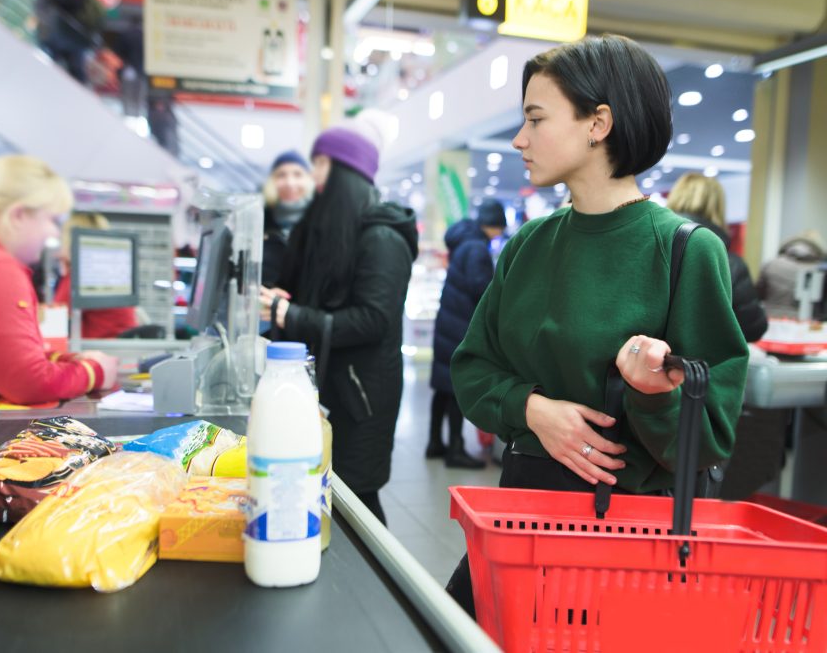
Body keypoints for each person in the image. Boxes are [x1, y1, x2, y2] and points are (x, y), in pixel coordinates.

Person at [444, 35, 749, 616]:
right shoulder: (530, 244)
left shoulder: (686, 251)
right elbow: (472, 367)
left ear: (598, 123)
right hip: (520, 523)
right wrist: (534, 410)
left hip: (624, 547)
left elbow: (708, 437)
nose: (519, 138)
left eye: (536, 118)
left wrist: (653, 392)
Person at [259, 112, 418, 525]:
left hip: (361, 401)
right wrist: (288, 301)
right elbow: (328, 303)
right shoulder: (343, 234)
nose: (313, 178)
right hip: (337, 392)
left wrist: (289, 314)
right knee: (339, 497)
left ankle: (378, 589)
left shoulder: (382, 237)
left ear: (345, 171)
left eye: (320, 164)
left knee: (359, 502)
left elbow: (370, 320)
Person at [0, 156, 119, 404]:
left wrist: (69, 361)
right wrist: (96, 372)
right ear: (18, 215)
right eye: (51, 220)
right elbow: (27, 382)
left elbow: (10, 359)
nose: (54, 233)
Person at [428, 199, 507, 468]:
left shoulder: (464, 242)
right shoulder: (476, 248)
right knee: (453, 389)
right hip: (461, 326)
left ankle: (435, 443)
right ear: (494, 225)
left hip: (448, 322)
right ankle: (455, 450)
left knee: (441, 388)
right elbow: (481, 289)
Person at [666, 173, 768, 341]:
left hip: (646, 361)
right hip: (703, 364)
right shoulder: (730, 264)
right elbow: (752, 327)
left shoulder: (650, 249)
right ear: (718, 207)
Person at [53, 212, 140, 339]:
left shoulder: (80, 277)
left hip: (98, 352)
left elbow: (55, 320)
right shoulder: (112, 273)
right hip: (120, 350)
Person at [262, 150, 313, 286]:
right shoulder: (259, 221)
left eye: (297, 174)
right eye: (281, 175)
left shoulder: (321, 220)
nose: (290, 183)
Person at [756, 229, 827, 319]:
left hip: (770, 320)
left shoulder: (771, 264)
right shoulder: (819, 269)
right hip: (807, 324)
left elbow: (758, 295)